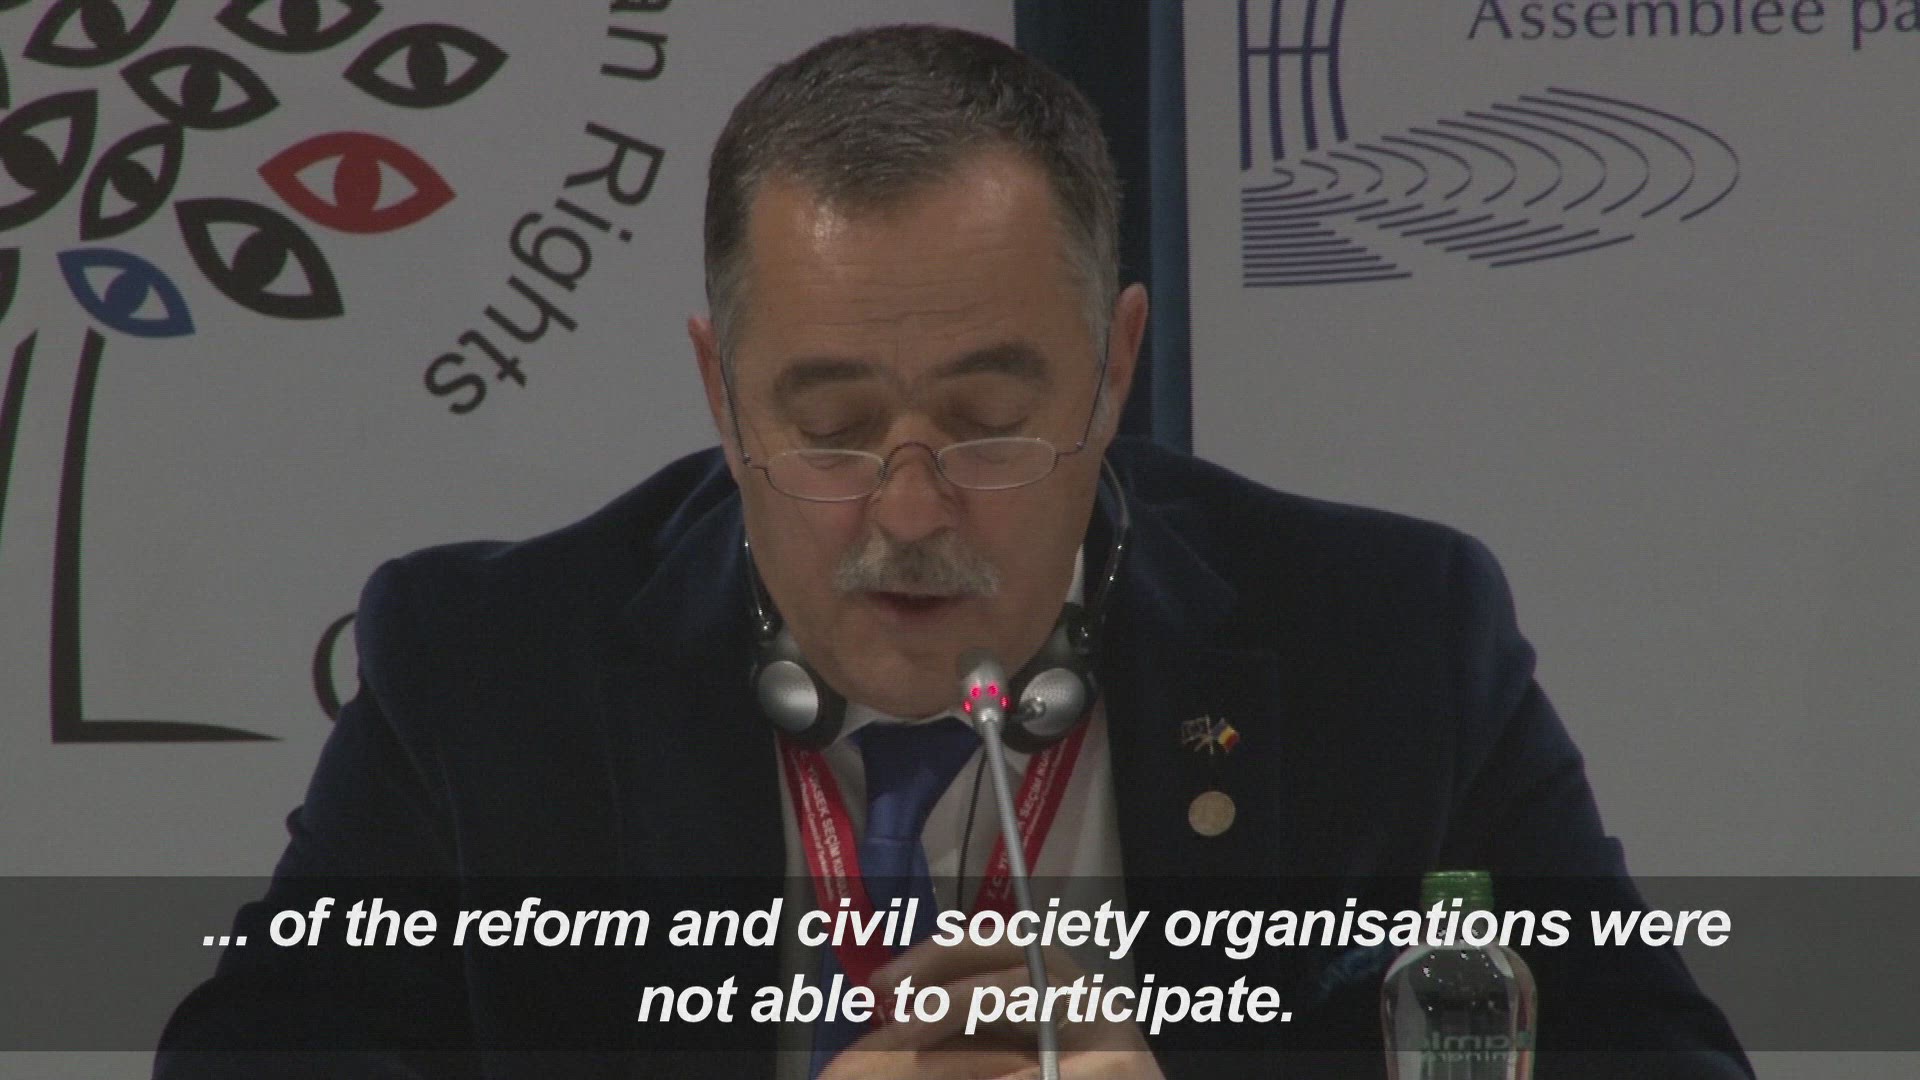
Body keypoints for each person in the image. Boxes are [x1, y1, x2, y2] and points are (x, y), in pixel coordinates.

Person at [155, 24, 1752, 1080]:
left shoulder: (1389, 645)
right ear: (720, 392)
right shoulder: (486, 671)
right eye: (832, 428)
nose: (911, 513)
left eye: (989, 424)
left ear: (1114, 371)